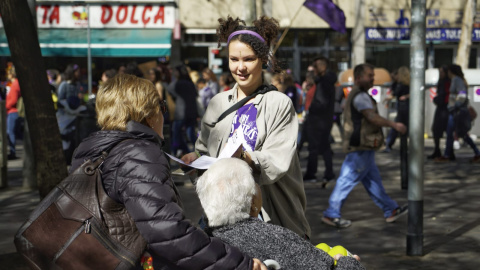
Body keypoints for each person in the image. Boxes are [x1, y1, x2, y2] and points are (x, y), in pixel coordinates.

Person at [70, 74, 267, 270]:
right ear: (148, 114)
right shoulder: (138, 154)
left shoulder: (92, 149)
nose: (164, 115)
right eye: (161, 107)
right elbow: (168, 232)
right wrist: (239, 264)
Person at [182, 15, 311, 239]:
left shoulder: (279, 103)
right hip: (225, 219)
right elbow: (205, 151)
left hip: (272, 217)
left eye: (248, 59)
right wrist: (195, 159)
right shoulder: (218, 103)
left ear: (263, 59)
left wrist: (247, 158)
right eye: (233, 59)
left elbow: (278, 159)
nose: (240, 67)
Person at [196, 158, 365, 270]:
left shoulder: (199, 243)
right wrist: (350, 264)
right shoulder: (276, 239)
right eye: (255, 183)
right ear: (253, 202)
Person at [322, 64, 408, 228]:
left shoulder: (358, 94)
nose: (372, 79)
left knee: (373, 182)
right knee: (346, 180)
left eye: (372, 76)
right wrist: (394, 125)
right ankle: (331, 214)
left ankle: (391, 209)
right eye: (369, 76)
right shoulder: (360, 96)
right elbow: (372, 117)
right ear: (359, 77)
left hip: (364, 147)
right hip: (360, 146)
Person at [435, 64, 480, 162]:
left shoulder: (456, 80)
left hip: (457, 111)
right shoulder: (457, 80)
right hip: (455, 110)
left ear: (451, 71)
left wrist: (455, 105)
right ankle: (447, 155)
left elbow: (462, 95)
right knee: (452, 132)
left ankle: (477, 152)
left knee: (461, 133)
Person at [303, 57, 336, 185]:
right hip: (324, 120)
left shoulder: (324, 83)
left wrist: (311, 109)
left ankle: (312, 173)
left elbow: (320, 103)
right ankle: (329, 173)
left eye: (315, 68)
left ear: (321, 68)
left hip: (317, 120)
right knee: (325, 147)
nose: (313, 71)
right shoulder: (326, 81)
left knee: (314, 148)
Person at [167, 64, 199, 157]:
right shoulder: (190, 83)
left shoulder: (177, 83)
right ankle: (197, 151)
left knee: (176, 134)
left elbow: (169, 89)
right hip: (192, 112)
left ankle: (175, 152)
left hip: (180, 112)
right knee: (191, 134)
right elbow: (195, 95)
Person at [57, 63, 85, 165]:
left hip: (74, 116)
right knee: (65, 138)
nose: (78, 73)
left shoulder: (77, 85)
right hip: (65, 117)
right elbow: (60, 101)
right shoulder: (64, 85)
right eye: (77, 71)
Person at [383, 66, 410, 152]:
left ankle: (389, 143)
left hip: (403, 107)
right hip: (406, 106)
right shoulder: (407, 83)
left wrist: (386, 99)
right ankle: (402, 145)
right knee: (404, 126)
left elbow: (394, 93)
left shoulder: (400, 84)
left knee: (396, 126)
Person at [428, 65, 451, 159]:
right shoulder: (442, 82)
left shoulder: (446, 82)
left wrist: (437, 99)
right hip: (442, 108)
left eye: (442, 72)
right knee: (437, 130)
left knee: (443, 130)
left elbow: (445, 96)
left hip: (444, 109)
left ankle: (445, 152)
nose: (440, 74)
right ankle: (438, 150)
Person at [5, 65, 21, 160]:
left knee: (10, 132)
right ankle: (12, 152)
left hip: (12, 111)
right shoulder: (15, 84)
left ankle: (12, 152)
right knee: (11, 132)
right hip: (12, 111)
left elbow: (13, 100)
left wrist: (5, 106)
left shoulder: (15, 85)